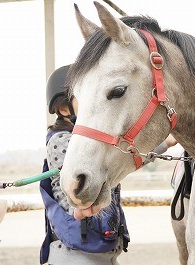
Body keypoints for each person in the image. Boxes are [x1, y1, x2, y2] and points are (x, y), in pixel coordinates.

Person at [39, 65, 129, 265]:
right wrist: (78, 210)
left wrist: (163, 145)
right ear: (64, 108)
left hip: (103, 248)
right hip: (75, 253)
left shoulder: (94, 142)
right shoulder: (61, 140)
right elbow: (67, 188)